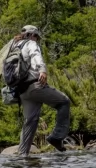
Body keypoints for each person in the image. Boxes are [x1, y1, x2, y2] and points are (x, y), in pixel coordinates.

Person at [11, 25, 71, 156]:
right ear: (32, 35)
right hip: (35, 86)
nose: (37, 39)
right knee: (64, 102)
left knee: (30, 123)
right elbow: (35, 55)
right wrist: (42, 70)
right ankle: (56, 137)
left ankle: (22, 156)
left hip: (22, 92)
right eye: (37, 36)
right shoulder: (31, 43)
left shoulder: (14, 46)